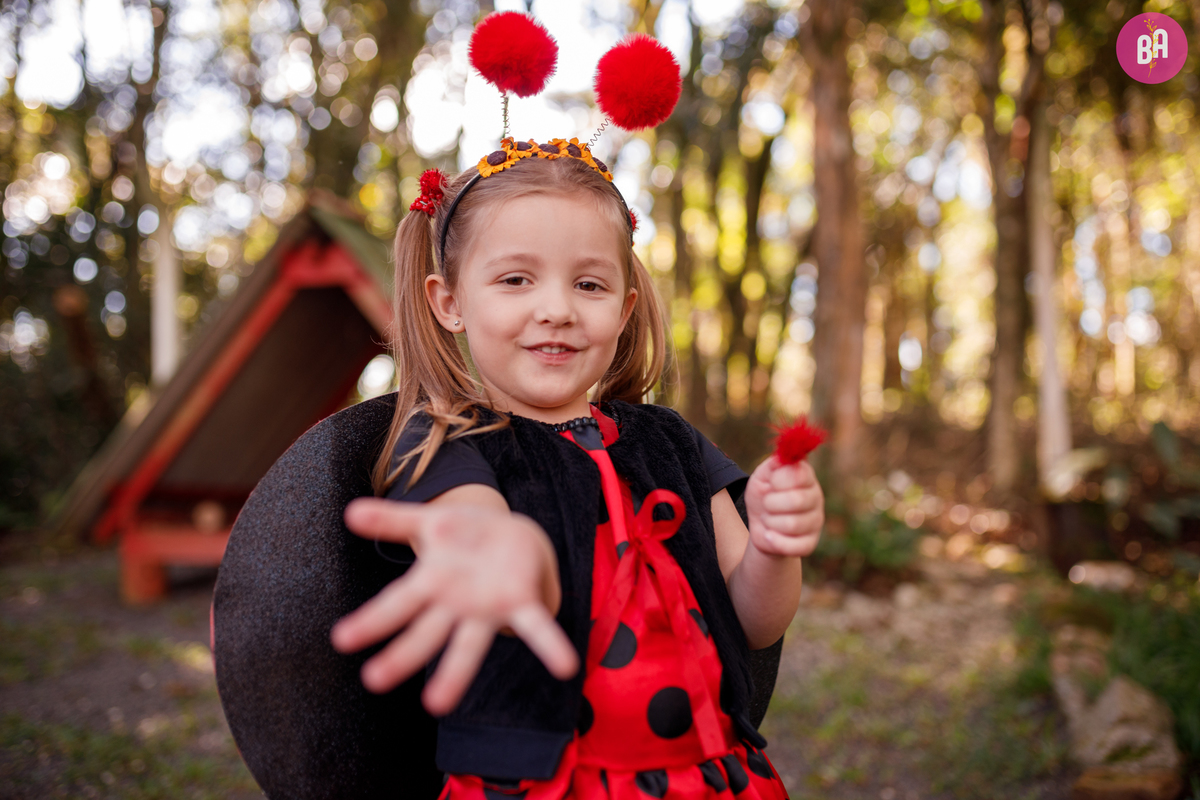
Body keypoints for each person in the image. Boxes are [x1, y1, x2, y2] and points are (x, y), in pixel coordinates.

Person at [327, 135, 825, 800]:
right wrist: (508, 557)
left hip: (707, 778)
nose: (557, 308)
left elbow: (758, 622)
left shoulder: (672, 443)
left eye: (588, 283)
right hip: (540, 786)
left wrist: (772, 545)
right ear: (449, 302)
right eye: (515, 279)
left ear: (622, 309)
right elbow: (483, 535)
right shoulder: (449, 445)